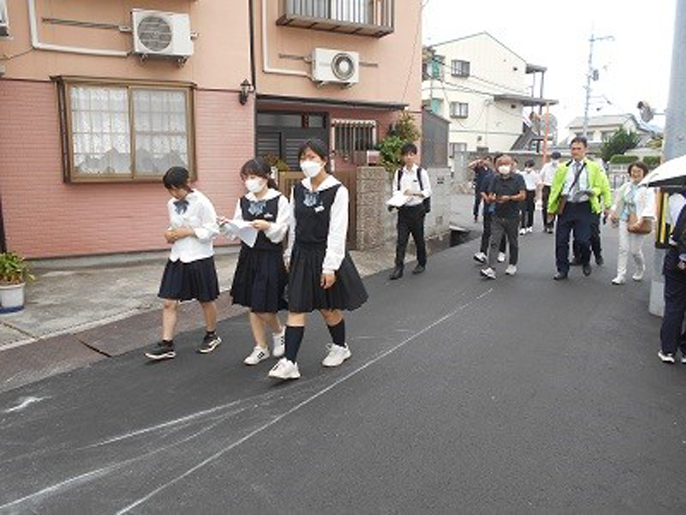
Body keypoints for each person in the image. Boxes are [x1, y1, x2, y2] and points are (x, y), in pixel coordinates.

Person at [268, 139, 368, 380]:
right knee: (296, 307)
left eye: (312, 157)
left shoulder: (338, 191)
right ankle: (290, 362)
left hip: (326, 256)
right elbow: (294, 224)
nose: (307, 162)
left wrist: (330, 267)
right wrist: (289, 253)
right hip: (302, 254)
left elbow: (337, 230)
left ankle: (340, 347)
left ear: (324, 160)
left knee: (328, 308)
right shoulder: (298, 189)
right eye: (303, 158)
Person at [145, 167, 222, 361]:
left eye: (176, 189)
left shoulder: (203, 202)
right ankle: (167, 343)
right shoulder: (171, 204)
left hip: (199, 257)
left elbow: (213, 229)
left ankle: (212, 334)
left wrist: (188, 232)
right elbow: (175, 226)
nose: (173, 193)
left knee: (206, 299)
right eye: (170, 190)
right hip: (177, 257)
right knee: (169, 301)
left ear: (186, 184)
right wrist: (169, 233)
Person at [219, 158, 289, 365]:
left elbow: (282, 231)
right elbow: (236, 230)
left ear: (266, 177)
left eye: (253, 177)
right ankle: (261, 347)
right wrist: (226, 225)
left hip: (270, 255)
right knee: (252, 303)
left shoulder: (279, 200)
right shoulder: (244, 201)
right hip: (248, 255)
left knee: (262, 304)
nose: (249, 181)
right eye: (246, 178)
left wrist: (267, 226)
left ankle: (279, 331)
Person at [547, 137, 609, 280]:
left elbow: (600, 186)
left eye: (578, 148)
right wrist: (551, 209)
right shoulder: (563, 167)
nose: (575, 151)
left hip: (584, 206)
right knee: (561, 241)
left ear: (585, 150)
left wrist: (593, 191)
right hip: (566, 206)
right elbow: (555, 189)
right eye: (573, 148)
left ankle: (586, 260)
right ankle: (562, 269)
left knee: (583, 240)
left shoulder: (593, 167)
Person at [389, 143, 432, 280]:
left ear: (415, 156)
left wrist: (414, 193)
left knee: (418, 238)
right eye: (406, 154)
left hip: (417, 210)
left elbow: (428, 191)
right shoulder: (399, 172)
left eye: (411, 154)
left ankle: (422, 262)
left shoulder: (421, 172)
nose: (408, 157)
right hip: (403, 210)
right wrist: (399, 196)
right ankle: (398, 268)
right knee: (401, 240)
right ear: (402, 156)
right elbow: (395, 189)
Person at [480, 154, 526, 279]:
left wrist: (510, 198)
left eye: (506, 164)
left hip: (513, 215)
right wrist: (492, 198)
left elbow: (523, 195)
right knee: (494, 241)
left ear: (511, 165)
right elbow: (490, 195)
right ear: (497, 166)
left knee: (513, 241)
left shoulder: (518, 178)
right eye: (501, 164)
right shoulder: (495, 179)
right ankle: (491, 268)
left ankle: (512, 264)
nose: (503, 167)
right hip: (497, 215)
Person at [609, 162, 656, 285]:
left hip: (640, 221)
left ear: (644, 173)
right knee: (623, 248)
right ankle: (620, 275)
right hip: (625, 218)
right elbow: (618, 201)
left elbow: (650, 206)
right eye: (633, 171)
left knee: (635, 250)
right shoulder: (626, 186)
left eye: (638, 172)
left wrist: (640, 221)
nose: (635, 174)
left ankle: (640, 268)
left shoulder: (648, 189)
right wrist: (613, 213)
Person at [659, 190, 686, 364]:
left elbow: (672, 225)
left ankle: (668, 350)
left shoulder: (676, 199)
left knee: (674, 304)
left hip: (678, 259)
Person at [571, 162, 612, 266]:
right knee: (577, 233)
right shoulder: (576, 173)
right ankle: (577, 256)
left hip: (592, 208)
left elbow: (606, 191)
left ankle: (597, 254)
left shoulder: (601, 175)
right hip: (577, 206)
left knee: (593, 234)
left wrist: (607, 206)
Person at [473, 161, 507, 264]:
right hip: (489, 208)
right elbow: (482, 190)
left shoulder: (509, 178)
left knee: (501, 231)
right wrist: (486, 198)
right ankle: (483, 252)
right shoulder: (489, 177)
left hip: (502, 209)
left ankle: (501, 251)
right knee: (487, 231)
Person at [539, 151, 561, 233]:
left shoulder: (561, 167)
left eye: (556, 159)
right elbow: (541, 175)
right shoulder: (546, 166)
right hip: (547, 186)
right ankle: (545, 223)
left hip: (556, 188)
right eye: (553, 158)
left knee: (553, 206)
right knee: (545, 206)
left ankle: (550, 225)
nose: (554, 160)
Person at [468, 156, 493, 222]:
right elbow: (470, 166)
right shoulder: (479, 168)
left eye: (489, 161)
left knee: (486, 203)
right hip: (479, 187)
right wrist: (477, 161)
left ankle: (485, 215)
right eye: (486, 160)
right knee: (477, 202)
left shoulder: (490, 171)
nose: (487, 162)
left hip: (487, 189)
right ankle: (475, 215)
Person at [519, 159, 540, 235]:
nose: (528, 168)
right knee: (523, 210)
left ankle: (529, 225)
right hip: (524, 191)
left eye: (529, 166)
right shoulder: (522, 174)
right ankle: (522, 226)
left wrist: (537, 196)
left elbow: (538, 186)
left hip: (532, 192)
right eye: (526, 166)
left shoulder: (535, 175)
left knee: (531, 209)